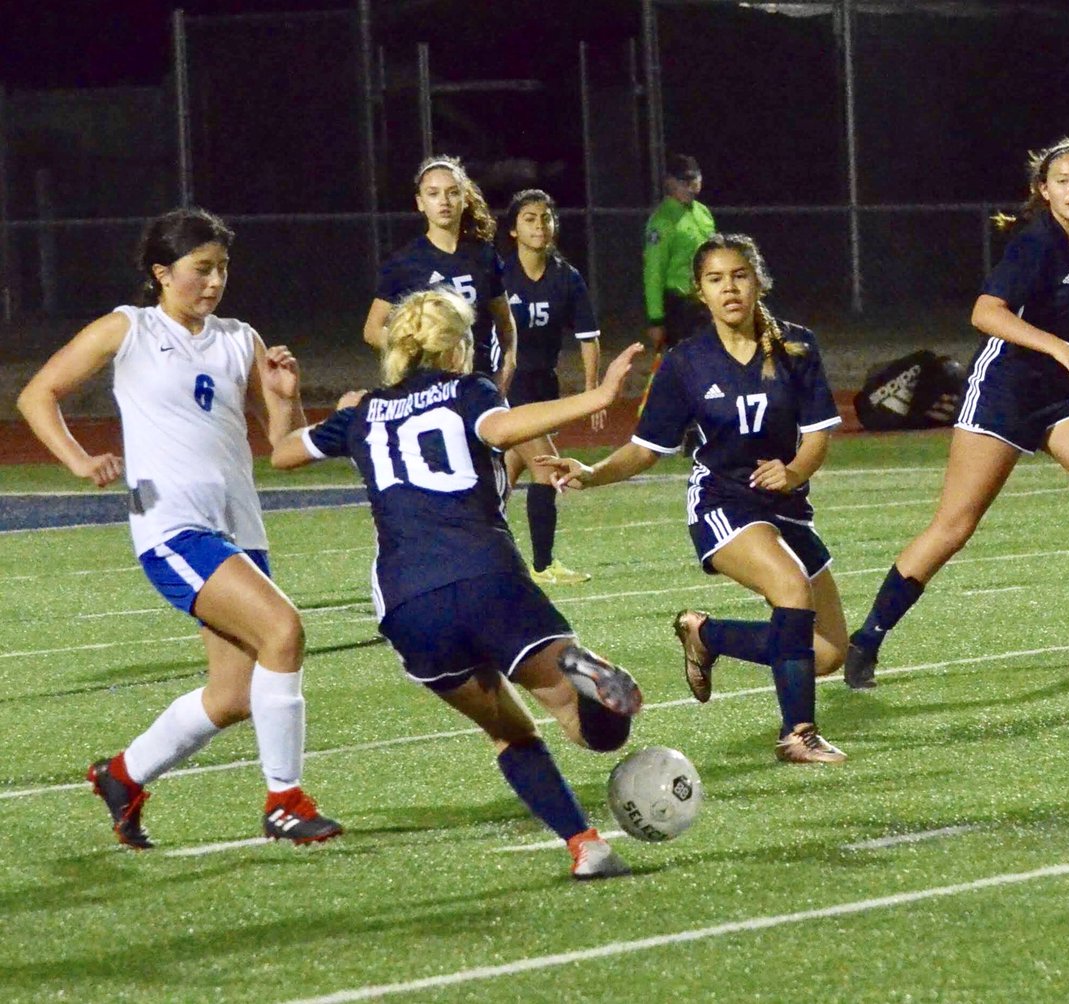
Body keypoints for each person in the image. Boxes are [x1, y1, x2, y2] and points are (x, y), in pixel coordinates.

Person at [272, 289, 646, 880]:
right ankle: (581, 668)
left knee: (509, 732)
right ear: (458, 349)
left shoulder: (363, 412)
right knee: (591, 731)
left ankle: (586, 847)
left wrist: (283, 401)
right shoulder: (470, 390)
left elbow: (283, 454)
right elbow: (503, 426)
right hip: (485, 577)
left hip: (408, 604)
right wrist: (596, 397)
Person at [16, 207, 341, 849]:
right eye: (201, 269)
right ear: (162, 273)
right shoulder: (128, 328)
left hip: (238, 529)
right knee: (284, 630)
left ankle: (123, 773)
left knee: (232, 695)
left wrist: (285, 396)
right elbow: (37, 394)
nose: (214, 282)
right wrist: (81, 460)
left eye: (222, 268)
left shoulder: (239, 338)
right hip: (171, 526)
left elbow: (281, 447)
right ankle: (284, 801)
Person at [844, 137, 1069, 690]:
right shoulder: (1034, 244)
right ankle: (866, 640)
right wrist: (1057, 347)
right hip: (1004, 393)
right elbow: (985, 313)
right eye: (1063, 181)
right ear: (1045, 190)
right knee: (954, 526)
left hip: (1060, 397)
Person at [542, 233, 849, 765]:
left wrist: (794, 470)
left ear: (758, 283)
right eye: (715, 279)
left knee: (825, 652)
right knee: (791, 591)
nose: (728, 288)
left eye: (738, 276)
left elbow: (818, 434)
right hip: (722, 503)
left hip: (786, 503)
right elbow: (645, 450)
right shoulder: (686, 364)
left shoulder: (796, 347)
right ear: (700, 293)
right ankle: (797, 734)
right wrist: (590, 473)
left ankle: (706, 635)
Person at [500, 188, 603, 585]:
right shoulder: (499, 275)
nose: (539, 225)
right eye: (529, 218)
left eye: (545, 218)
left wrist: (593, 390)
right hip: (507, 387)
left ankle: (468, 551)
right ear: (513, 230)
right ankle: (543, 567)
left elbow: (588, 336)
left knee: (502, 477)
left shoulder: (566, 277)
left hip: (544, 384)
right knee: (548, 470)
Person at [363, 154, 517, 394]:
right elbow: (372, 329)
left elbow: (505, 324)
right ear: (420, 203)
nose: (444, 201)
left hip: (478, 383)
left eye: (453, 192)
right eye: (433, 194)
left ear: (465, 199)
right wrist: (413, 350)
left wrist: (507, 368)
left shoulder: (484, 255)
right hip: (427, 388)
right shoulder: (404, 262)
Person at [643, 154, 716, 353]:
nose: (690, 187)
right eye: (684, 182)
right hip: (679, 308)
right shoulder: (662, 221)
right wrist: (656, 319)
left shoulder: (703, 213)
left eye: (693, 180)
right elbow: (654, 272)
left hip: (707, 301)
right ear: (670, 182)